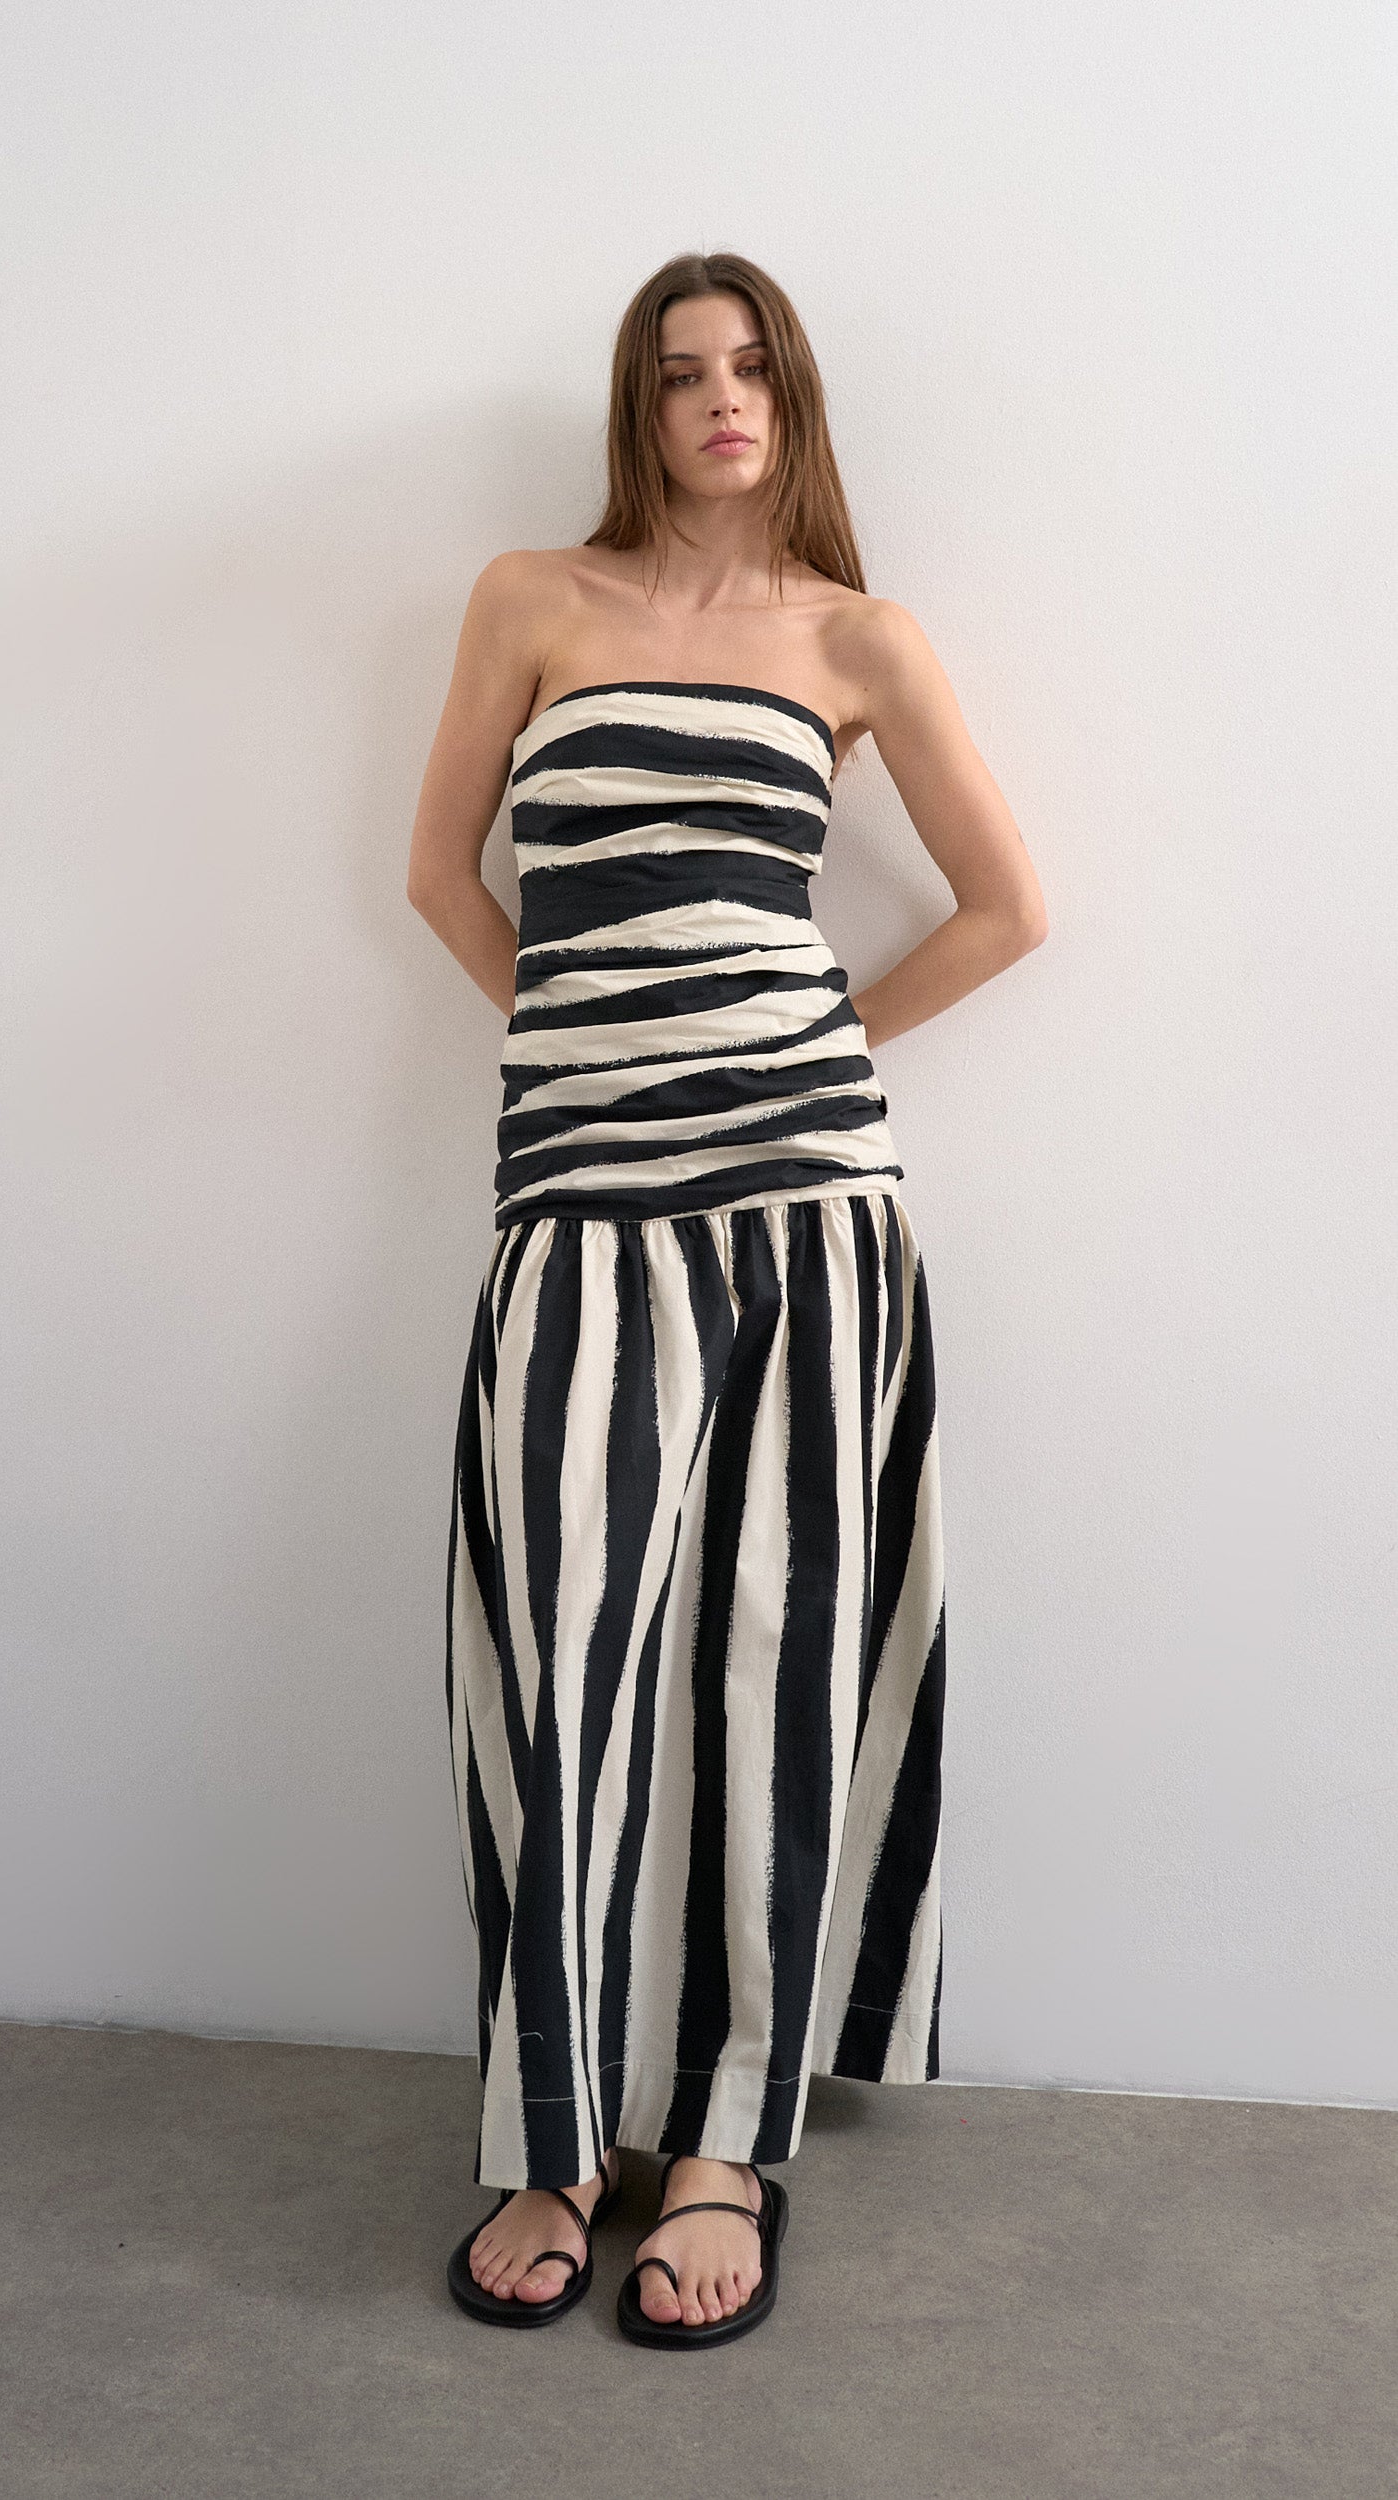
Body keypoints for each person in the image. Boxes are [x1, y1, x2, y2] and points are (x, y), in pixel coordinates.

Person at [404, 251, 1048, 2350]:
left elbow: (1006, 907)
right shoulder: (532, 599)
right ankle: (555, 2131)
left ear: (792, 398)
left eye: (751, 368)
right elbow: (438, 872)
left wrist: (811, 1043)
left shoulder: (856, 638)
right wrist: (580, 1047)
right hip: (580, 1198)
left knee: (783, 1655)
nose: (719, 400)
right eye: (683, 371)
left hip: (805, 1197)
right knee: (560, 1653)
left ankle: (728, 2142)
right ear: (639, 403)